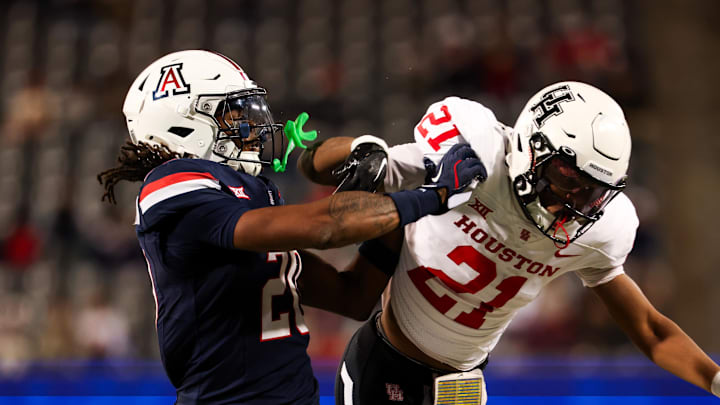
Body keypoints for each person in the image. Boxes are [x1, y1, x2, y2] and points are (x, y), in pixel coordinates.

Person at [97, 50, 486, 404]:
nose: (250, 127)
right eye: (232, 114)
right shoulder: (172, 182)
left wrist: (388, 195)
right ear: (182, 122)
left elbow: (353, 296)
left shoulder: (250, 199)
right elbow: (326, 227)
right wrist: (429, 197)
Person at [299, 81, 720, 404]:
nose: (572, 203)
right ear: (531, 145)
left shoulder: (601, 229)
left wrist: (715, 380)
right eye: (568, 177)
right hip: (387, 366)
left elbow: (650, 329)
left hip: (465, 384)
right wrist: (362, 149)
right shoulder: (474, 155)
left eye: (592, 192)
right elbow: (314, 163)